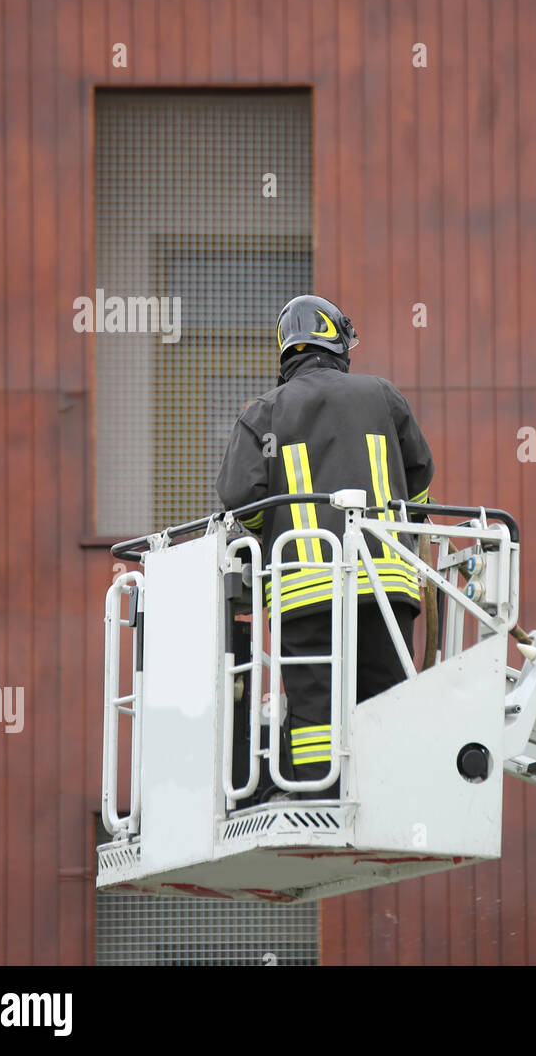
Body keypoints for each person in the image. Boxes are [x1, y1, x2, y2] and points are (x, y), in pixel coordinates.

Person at [216, 294, 434, 799]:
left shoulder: (264, 413)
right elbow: (420, 480)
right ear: (337, 342)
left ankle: (319, 794)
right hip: (387, 587)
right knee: (387, 698)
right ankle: (389, 792)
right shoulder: (384, 397)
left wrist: (271, 529)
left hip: (305, 593)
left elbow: (238, 499)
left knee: (316, 705)